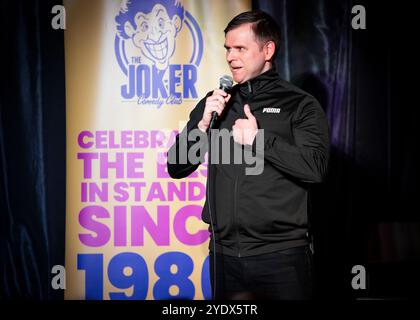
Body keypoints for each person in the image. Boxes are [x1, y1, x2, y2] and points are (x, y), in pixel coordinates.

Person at [167, 10, 330, 300]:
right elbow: (177, 167)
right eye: (228, 49)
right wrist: (202, 126)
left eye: (240, 48)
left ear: (268, 50)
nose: (231, 57)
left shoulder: (300, 105)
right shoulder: (216, 103)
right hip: (224, 257)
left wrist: (258, 140)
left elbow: (315, 168)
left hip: (280, 258)